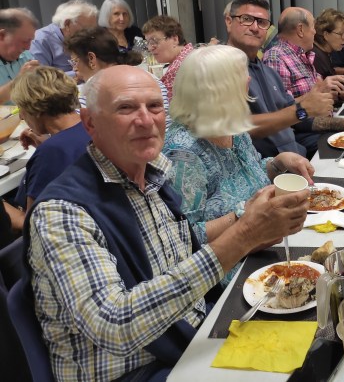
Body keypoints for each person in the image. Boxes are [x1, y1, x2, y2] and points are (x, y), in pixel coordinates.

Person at [23, 65, 310, 381]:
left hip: (187, 334)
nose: (146, 120)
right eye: (126, 108)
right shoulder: (61, 212)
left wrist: (253, 235)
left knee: (314, 330)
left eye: (154, 106)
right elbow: (116, 326)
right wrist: (244, 235)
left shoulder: (152, 174)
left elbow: (183, 258)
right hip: (137, 370)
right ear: (90, 122)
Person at [164, 45, 314, 284]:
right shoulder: (184, 152)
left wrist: (279, 163)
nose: (248, 79)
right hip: (232, 270)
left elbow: (251, 172)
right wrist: (244, 215)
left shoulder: (231, 123)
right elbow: (186, 237)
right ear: (219, 89)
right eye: (240, 73)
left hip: (266, 244)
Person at [225, 0, 344, 159]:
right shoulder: (221, 68)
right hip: (271, 164)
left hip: (294, 156)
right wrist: (303, 109)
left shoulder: (267, 71)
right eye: (247, 19)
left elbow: (294, 114)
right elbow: (237, 128)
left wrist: (343, 122)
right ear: (229, 21)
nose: (255, 28)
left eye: (262, 22)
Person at [8, 67, 91, 219]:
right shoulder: (92, 127)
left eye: (21, 109)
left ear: (36, 108)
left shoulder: (52, 152)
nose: (21, 116)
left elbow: (32, 221)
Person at [64, 27, 170, 125]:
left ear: (91, 59)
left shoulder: (92, 92)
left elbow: (77, 131)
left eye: (75, 61)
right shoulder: (151, 77)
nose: (74, 69)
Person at [262, 7, 344, 99]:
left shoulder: (304, 55)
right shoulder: (276, 58)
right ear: (300, 30)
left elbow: (317, 95)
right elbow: (280, 105)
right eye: (313, 27)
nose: (315, 32)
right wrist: (321, 89)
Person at [30, 0, 98, 72]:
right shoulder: (40, 40)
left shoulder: (89, 38)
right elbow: (41, 76)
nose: (91, 35)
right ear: (67, 24)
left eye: (94, 30)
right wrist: (78, 73)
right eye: (87, 29)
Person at [142, 15, 194, 100]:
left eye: (154, 41)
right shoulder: (189, 55)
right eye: (147, 42)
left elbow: (166, 104)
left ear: (174, 40)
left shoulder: (180, 68)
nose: (150, 48)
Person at [0, 7, 40, 104]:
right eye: (25, 41)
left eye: (31, 41)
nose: (28, 47)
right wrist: (19, 80)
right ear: (2, 35)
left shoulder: (25, 56)